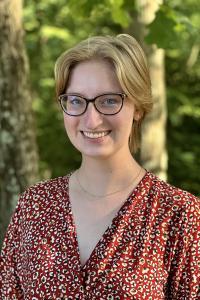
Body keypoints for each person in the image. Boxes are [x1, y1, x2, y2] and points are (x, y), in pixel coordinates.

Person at [0, 34, 199, 299]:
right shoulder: (34, 206)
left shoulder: (179, 214)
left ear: (137, 107)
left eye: (108, 100)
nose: (92, 120)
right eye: (76, 101)